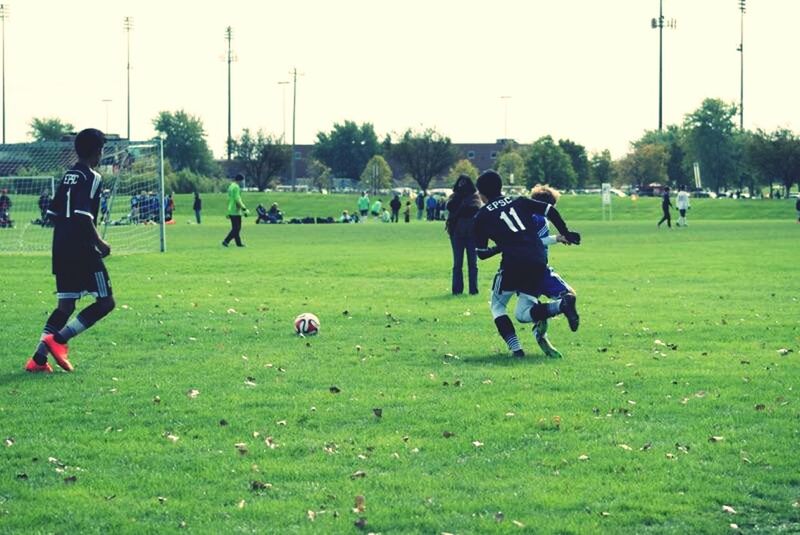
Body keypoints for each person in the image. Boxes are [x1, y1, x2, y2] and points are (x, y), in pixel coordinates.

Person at [25, 128, 115, 373]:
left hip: (61, 247)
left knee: (65, 306)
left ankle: (38, 360)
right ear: (97, 151)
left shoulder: (68, 176)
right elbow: (82, 215)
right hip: (82, 248)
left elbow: (53, 214)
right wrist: (100, 244)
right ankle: (59, 340)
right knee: (106, 302)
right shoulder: (91, 176)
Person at [473, 170, 581, 358]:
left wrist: (501, 246)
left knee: (497, 307)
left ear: (481, 194)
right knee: (523, 314)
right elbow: (550, 211)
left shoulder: (481, 216)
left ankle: (517, 350)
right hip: (538, 259)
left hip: (513, 263)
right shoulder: (519, 200)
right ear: (500, 187)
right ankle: (561, 306)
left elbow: (482, 254)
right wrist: (566, 232)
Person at [514, 185, 579, 359]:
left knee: (527, 312)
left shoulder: (521, 217)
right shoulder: (540, 219)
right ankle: (546, 323)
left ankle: (541, 330)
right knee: (568, 295)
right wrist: (557, 238)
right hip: (538, 269)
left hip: (521, 271)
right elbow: (536, 242)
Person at [445, 174, 482, 295]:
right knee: (457, 264)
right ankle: (457, 290)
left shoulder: (474, 197)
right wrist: (459, 202)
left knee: (473, 264)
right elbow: (449, 206)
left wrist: (460, 209)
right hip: (457, 234)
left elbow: (474, 208)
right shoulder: (454, 197)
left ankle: (473, 289)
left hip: (471, 234)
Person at [222, 173, 248, 247]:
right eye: (243, 181)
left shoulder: (231, 186)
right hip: (235, 210)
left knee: (235, 228)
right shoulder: (236, 187)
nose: (243, 183)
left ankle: (238, 244)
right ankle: (226, 241)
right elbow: (237, 199)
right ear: (240, 180)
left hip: (231, 208)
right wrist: (243, 208)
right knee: (237, 228)